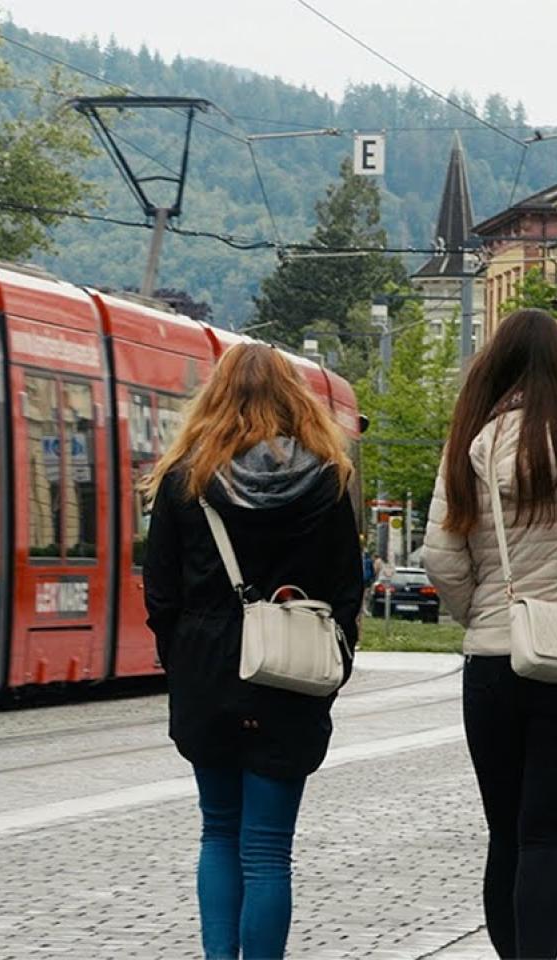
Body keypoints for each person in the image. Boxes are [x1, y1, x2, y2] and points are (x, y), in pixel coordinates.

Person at [142, 343, 362, 960]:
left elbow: (160, 592)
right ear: (295, 400)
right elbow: (348, 588)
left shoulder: (186, 478)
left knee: (218, 832)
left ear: (215, 398)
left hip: (208, 668)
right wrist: (331, 663)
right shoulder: (328, 480)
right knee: (268, 848)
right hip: (292, 674)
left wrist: (183, 659)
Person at [423, 308, 557, 960]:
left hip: (495, 660)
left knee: (504, 831)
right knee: (544, 834)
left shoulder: (476, 439)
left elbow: (440, 557)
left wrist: (483, 613)